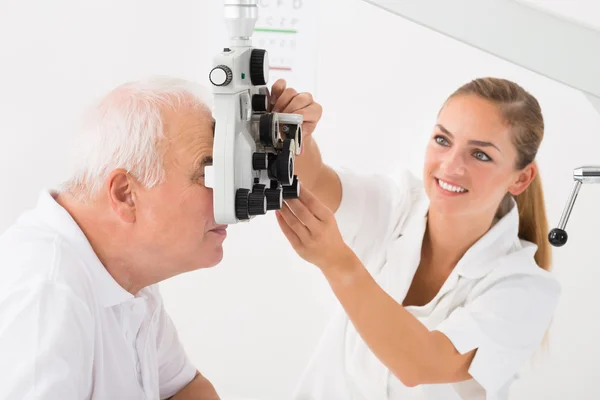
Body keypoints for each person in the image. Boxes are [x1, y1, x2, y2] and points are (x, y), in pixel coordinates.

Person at [0, 76, 322, 400]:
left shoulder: (125, 269)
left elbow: (186, 391)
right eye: (208, 174)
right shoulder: (46, 295)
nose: (229, 205)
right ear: (126, 194)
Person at [271, 77, 561, 399]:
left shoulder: (524, 288)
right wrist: (298, 135)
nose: (451, 165)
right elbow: (316, 179)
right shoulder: (397, 204)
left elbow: (419, 364)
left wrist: (337, 263)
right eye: (442, 140)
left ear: (521, 178)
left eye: (480, 155)